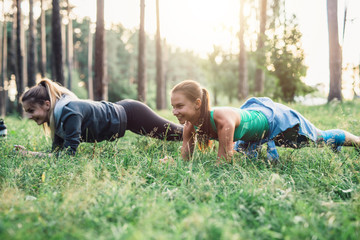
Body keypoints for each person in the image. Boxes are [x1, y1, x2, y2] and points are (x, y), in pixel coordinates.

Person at [170, 80, 360, 163]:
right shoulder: (190, 127)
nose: (174, 112)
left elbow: (224, 161)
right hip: (253, 130)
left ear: (197, 104)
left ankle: (355, 140)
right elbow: (185, 159)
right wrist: (172, 162)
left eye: (179, 106)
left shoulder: (222, 119)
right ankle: (336, 146)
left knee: (318, 139)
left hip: (274, 119)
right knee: (246, 156)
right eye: (173, 106)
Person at [14, 79, 183, 157]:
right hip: (124, 111)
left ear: (46, 104)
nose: (28, 116)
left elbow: (68, 156)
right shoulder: (58, 119)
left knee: (177, 134)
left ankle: (205, 124)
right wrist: (30, 154)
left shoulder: (69, 113)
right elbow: (57, 154)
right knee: (176, 135)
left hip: (132, 114)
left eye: (31, 110)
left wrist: (29, 154)